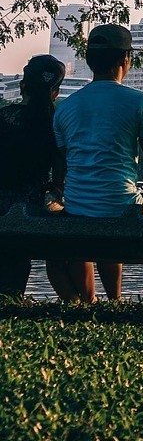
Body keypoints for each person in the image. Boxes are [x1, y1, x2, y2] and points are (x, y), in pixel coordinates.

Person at [51, 22, 143, 302]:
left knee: (101, 220)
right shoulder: (139, 101)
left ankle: (105, 302)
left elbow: (64, 167)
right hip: (123, 206)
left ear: (89, 60)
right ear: (127, 59)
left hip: (77, 208)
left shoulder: (64, 108)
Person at [0, 54, 67, 297]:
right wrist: (56, 188)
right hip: (33, 205)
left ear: (22, 86)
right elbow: (61, 163)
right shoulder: (56, 122)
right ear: (55, 92)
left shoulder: (4, 118)